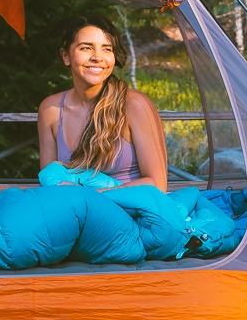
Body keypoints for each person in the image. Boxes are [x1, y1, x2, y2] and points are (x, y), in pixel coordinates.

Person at [37, 14, 168, 191]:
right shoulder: (50, 109)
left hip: (130, 210)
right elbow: (49, 180)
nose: (98, 57)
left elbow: (158, 184)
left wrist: (92, 197)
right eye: (86, 48)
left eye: (107, 49)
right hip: (74, 210)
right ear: (65, 56)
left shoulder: (134, 105)